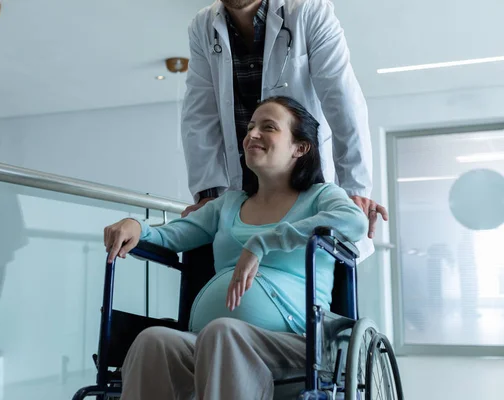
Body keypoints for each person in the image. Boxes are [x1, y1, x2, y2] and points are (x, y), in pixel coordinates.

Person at [104, 96, 368, 399]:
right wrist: (137, 227)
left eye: (268, 127)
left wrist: (266, 241)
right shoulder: (229, 203)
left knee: (223, 332)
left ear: (300, 147)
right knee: (154, 341)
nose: (252, 134)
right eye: (251, 127)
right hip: (209, 340)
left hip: (297, 342)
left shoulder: (320, 196)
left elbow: (353, 221)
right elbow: (174, 235)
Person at [180, 0, 387, 239]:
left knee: (304, 263)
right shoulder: (202, 26)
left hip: (307, 185)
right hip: (244, 194)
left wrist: (354, 189)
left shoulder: (309, 11)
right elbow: (199, 116)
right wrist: (209, 194)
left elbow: (343, 103)